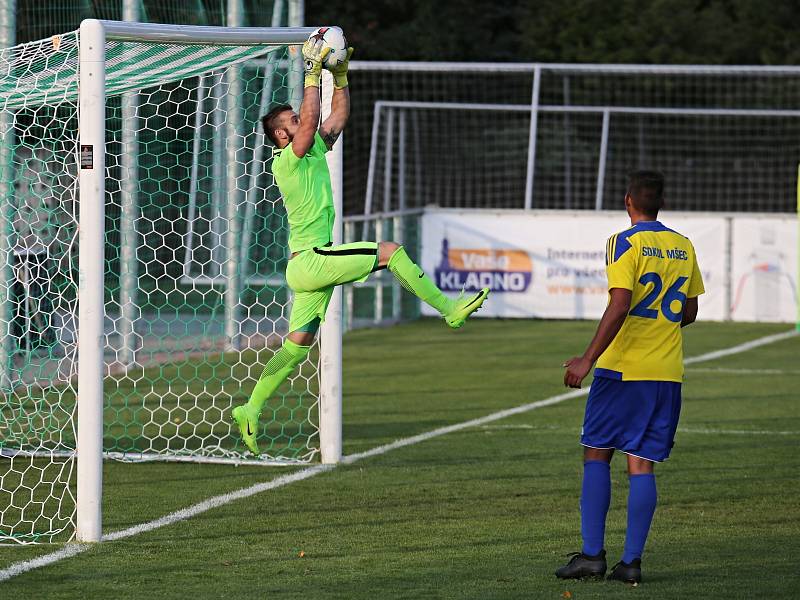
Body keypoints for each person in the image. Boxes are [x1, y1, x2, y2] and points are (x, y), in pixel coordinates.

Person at [232, 37, 489, 456]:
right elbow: (313, 120)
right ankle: (449, 311)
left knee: (296, 347)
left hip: (307, 264)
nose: (301, 120)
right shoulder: (288, 159)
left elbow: (336, 116)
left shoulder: (310, 146)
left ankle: (251, 406)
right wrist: (311, 72)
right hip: (313, 259)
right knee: (389, 251)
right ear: (281, 134)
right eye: (293, 119)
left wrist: (339, 76)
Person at [556, 170, 704, 584]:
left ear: (628, 202)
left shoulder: (623, 242)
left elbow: (620, 303)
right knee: (642, 466)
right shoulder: (683, 245)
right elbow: (688, 313)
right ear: (660, 203)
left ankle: (590, 556)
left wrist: (587, 358)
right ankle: (631, 564)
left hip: (623, 371)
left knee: (597, 453)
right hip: (667, 373)